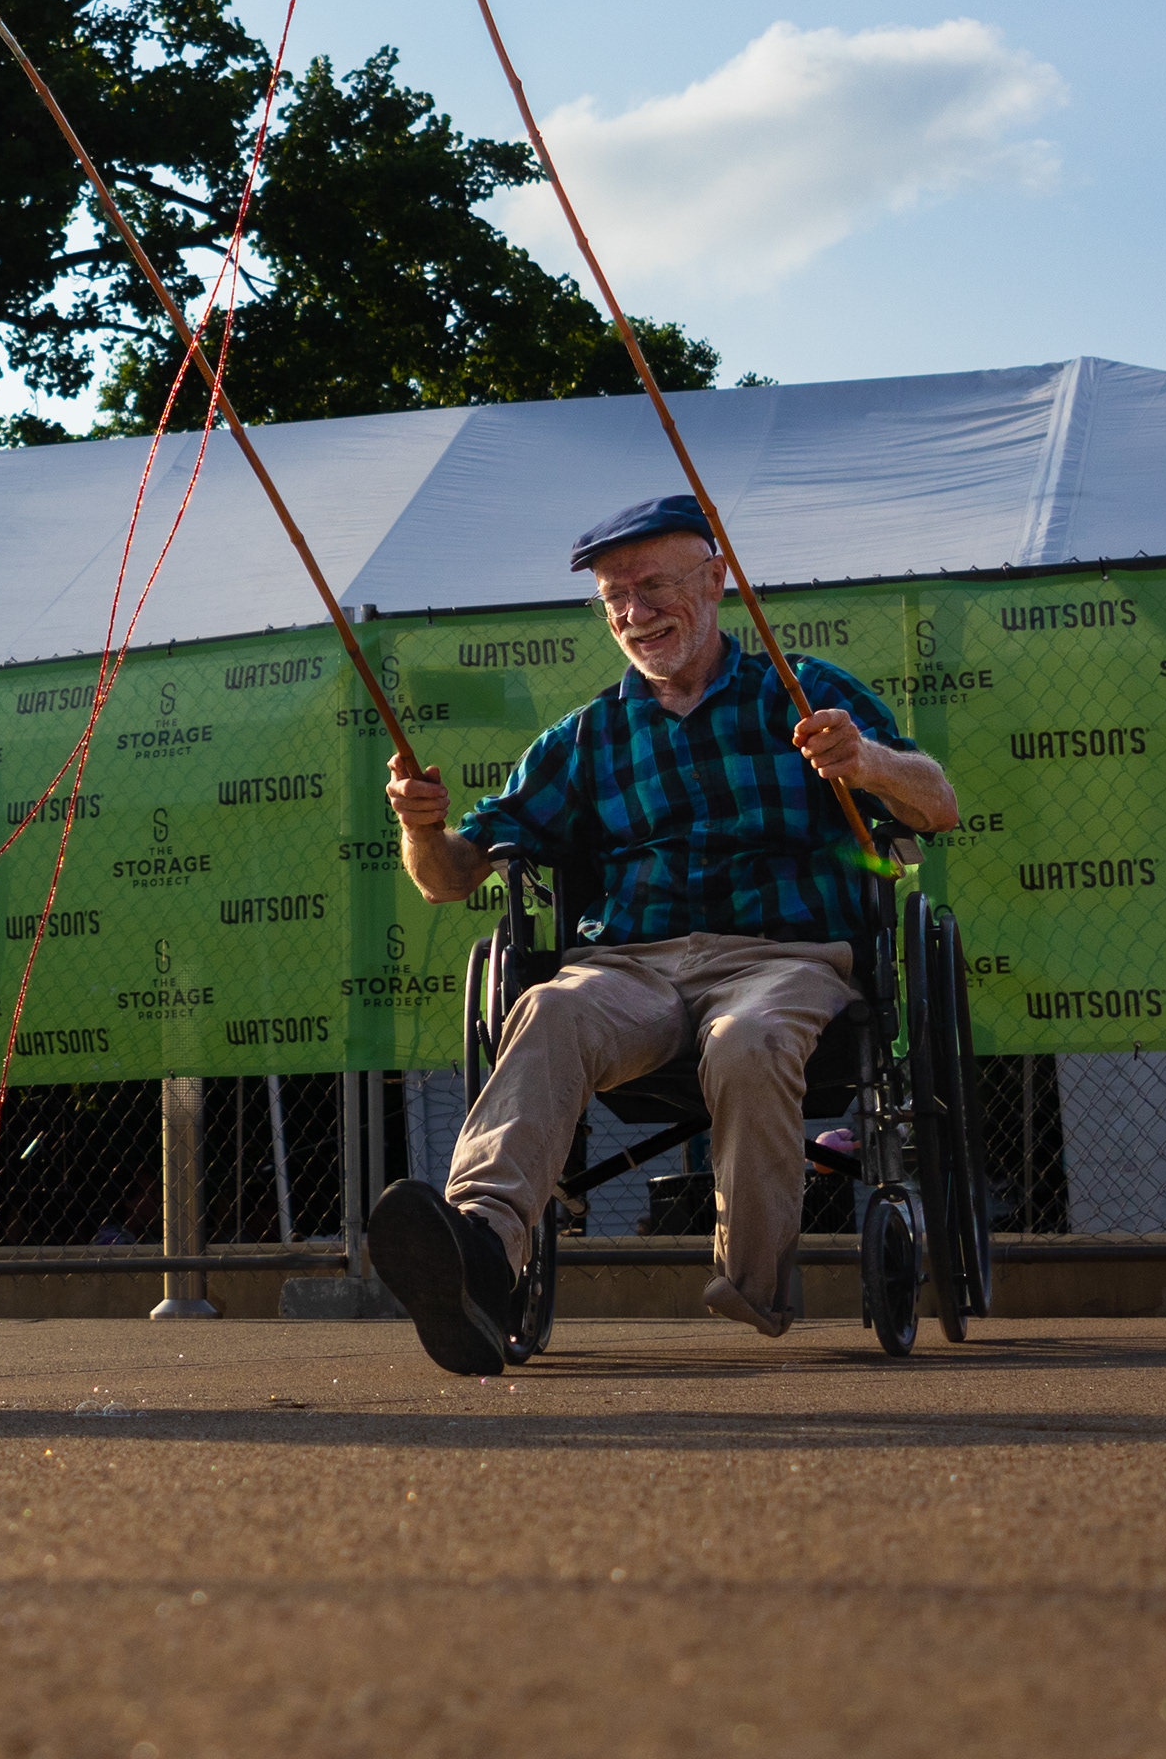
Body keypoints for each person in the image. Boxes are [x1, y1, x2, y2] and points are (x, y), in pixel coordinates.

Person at [367, 493, 958, 1375]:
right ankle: (482, 1252)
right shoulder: (586, 738)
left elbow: (937, 804)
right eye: (616, 599)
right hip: (634, 967)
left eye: (653, 586)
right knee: (550, 1008)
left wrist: (865, 761)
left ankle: (752, 1281)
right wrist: (419, 827)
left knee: (748, 1038)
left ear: (717, 582)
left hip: (783, 960)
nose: (635, 613)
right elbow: (452, 880)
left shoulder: (805, 691)